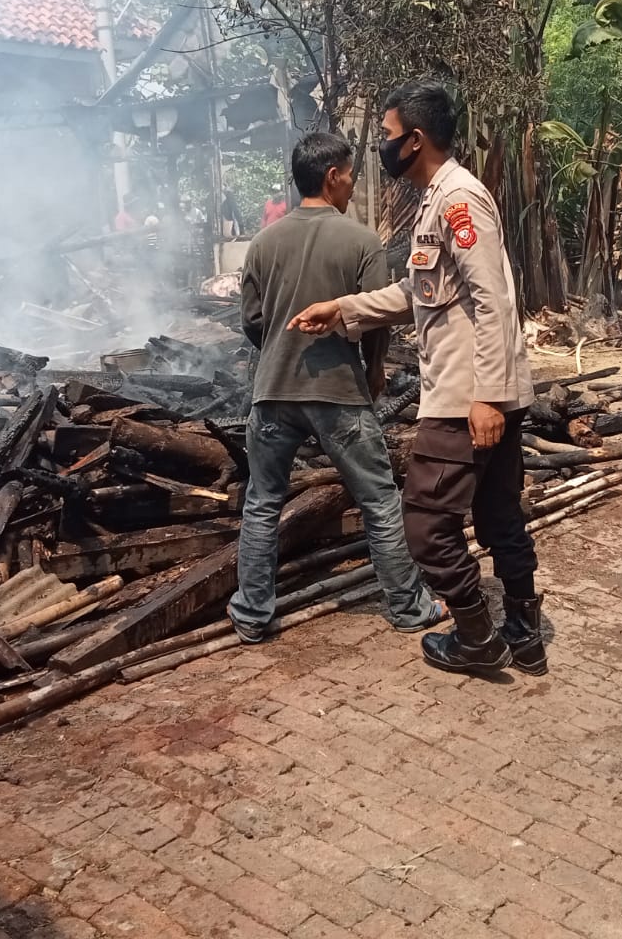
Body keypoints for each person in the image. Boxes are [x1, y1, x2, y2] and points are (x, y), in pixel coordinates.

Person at [290, 81, 541, 678]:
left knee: (425, 526)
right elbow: (418, 294)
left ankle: (477, 636)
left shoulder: (459, 201)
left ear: (417, 139)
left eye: (386, 135)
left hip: (465, 398)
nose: (380, 146)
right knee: (500, 515)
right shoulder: (435, 200)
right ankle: (524, 636)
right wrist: (344, 309)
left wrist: (484, 398)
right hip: (481, 394)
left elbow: (494, 301)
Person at [229, 132, 445, 642]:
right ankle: (407, 607)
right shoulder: (361, 241)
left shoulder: (262, 244)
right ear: (331, 176)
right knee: (379, 500)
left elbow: (253, 323)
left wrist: (279, 354)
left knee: (262, 503)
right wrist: (373, 371)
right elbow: (377, 318)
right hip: (339, 393)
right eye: (349, 175)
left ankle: (253, 617)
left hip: (273, 392)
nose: (352, 184)